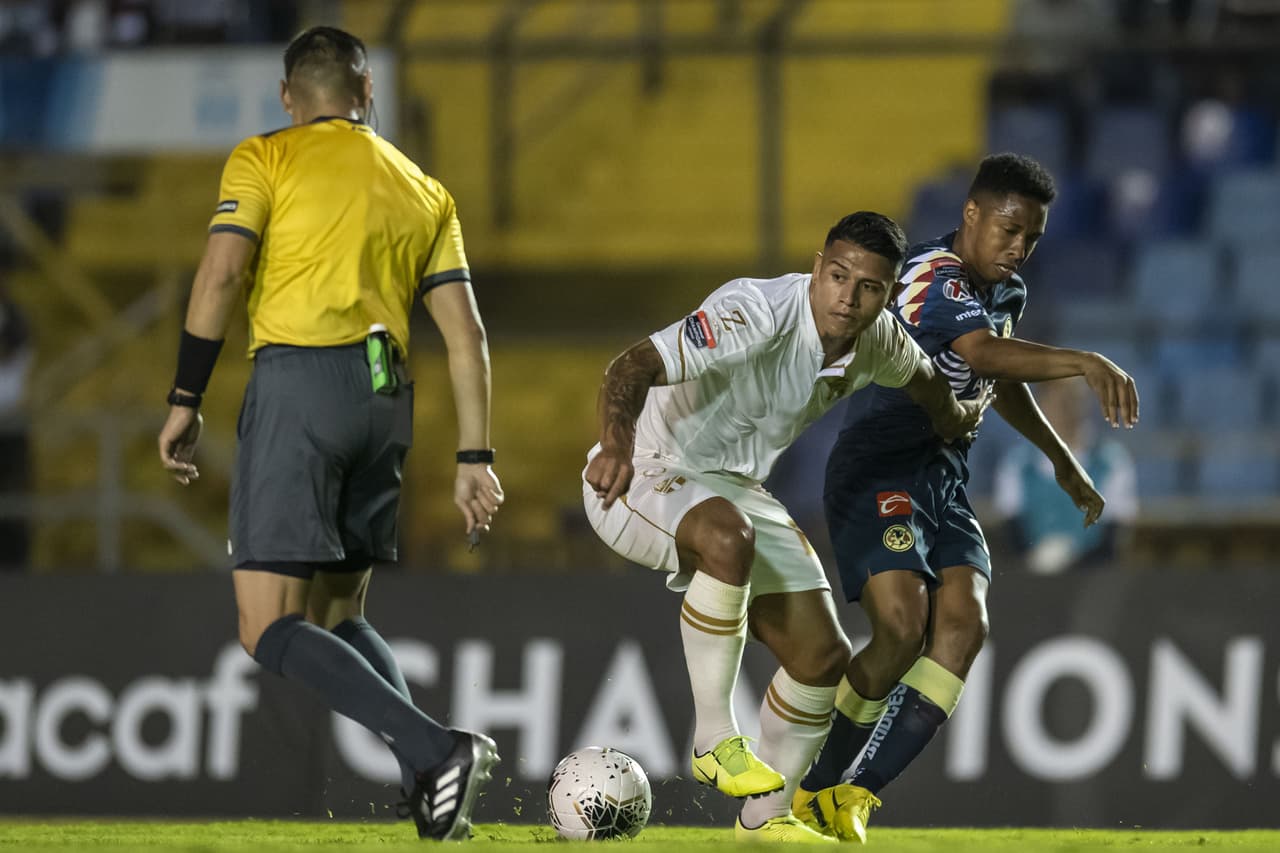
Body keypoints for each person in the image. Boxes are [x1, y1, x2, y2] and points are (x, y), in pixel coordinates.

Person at [155, 26, 504, 841]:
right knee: (338, 610)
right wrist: (474, 456)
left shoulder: (263, 158)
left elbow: (221, 272)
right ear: (367, 91)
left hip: (301, 386)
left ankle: (436, 748)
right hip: (385, 400)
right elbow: (467, 336)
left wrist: (184, 394)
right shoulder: (425, 189)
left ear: (288, 97)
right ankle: (429, 773)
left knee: (268, 624)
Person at [582, 212, 989, 843]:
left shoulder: (880, 340)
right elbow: (627, 367)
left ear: (887, 293)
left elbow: (928, 382)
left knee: (822, 656)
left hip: (736, 490)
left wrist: (958, 415)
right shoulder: (753, 312)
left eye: (869, 287)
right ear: (817, 264)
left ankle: (763, 822)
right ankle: (715, 736)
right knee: (726, 536)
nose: (847, 298)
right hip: (644, 467)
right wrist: (613, 444)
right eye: (836, 275)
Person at [793, 154, 1139, 844]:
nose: (1019, 249)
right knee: (899, 624)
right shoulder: (931, 274)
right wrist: (1084, 360)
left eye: (1032, 239)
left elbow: (1001, 379)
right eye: (1009, 230)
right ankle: (813, 787)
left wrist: (1062, 462)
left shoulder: (1003, 293)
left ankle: (855, 795)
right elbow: (979, 354)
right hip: (880, 465)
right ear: (971, 216)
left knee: (963, 625)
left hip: (943, 476)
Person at [994, 377, 1138, 574]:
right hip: (1031, 581)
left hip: (1090, 580)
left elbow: (1114, 537)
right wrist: (1038, 562)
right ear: (1040, 405)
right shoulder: (1018, 465)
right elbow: (1012, 532)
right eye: (1056, 400)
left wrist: (1070, 564)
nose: (1064, 409)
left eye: (1072, 399)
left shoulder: (1112, 461)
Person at [0, 279, 33, 571]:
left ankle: (15, 560)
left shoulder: (13, 317)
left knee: (14, 493)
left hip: (9, 419)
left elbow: (12, 351)